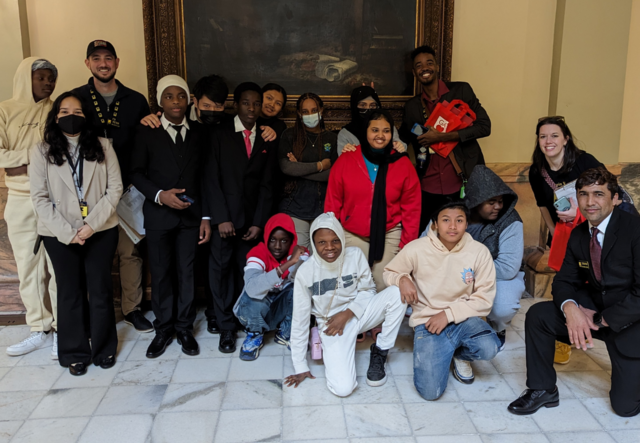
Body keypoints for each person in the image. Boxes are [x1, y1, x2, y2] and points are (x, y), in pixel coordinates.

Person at [508, 168, 640, 418]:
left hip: (631, 322)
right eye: (584, 194)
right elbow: (563, 281)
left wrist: (600, 319)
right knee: (539, 315)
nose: (590, 202)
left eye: (599, 194)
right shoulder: (579, 234)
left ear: (614, 198)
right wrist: (571, 309)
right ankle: (542, 388)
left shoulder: (635, 230)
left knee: (625, 408)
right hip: (594, 312)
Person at [30, 91, 123, 376]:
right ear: (55, 116)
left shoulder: (104, 146)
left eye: (79, 111)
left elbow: (115, 189)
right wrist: (69, 233)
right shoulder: (41, 150)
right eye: (65, 111)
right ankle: (74, 352)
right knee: (69, 292)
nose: (72, 116)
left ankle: (104, 349)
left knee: (100, 290)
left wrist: (90, 226)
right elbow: (40, 198)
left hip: (101, 229)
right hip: (58, 234)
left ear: (87, 116)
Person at [73, 40, 154, 333]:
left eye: (108, 58)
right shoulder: (76, 99)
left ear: (117, 62)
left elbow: (147, 141)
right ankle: (98, 310)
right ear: (88, 64)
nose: (103, 63)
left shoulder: (135, 99)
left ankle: (132, 308)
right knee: (93, 253)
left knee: (129, 250)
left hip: (129, 189)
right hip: (89, 190)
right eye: (96, 58)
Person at [130, 75, 211, 359]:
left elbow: (205, 176)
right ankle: (163, 328)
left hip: (191, 218)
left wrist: (206, 217)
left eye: (180, 96)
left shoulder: (200, 133)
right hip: (158, 216)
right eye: (168, 96)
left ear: (188, 100)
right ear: (159, 102)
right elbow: (136, 172)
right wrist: (160, 195)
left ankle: (185, 327)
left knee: (187, 273)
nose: (175, 102)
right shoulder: (146, 131)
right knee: (162, 274)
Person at [384, 201, 499, 398]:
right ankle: (446, 350)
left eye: (459, 220)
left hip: (464, 320)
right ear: (435, 224)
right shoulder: (416, 248)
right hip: (428, 323)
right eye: (446, 220)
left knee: (490, 347)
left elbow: (484, 300)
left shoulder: (479, 251)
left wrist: (448, 314)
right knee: (430, 392)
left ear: (466, 224)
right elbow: (389, 272)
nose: (453, 226)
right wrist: (402, 278)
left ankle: (460, 355)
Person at [285, 212, 407, 396]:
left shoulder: (355, 255)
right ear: (313, 242)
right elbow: (300, 319)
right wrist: (300, 365)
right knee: (343, 389)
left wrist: (348, 313)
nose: (330, 247)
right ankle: (321, 337)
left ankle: (380, 350)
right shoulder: (306, 272)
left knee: (398, 293)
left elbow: (369, 290)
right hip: (331, 324)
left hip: (358, 312)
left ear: (342, 238)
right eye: (322, 242)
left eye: (335, 240)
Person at [205, 82, 277, 354]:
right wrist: (220, 217)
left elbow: (267, 184)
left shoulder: (267, 137)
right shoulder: (220, 134)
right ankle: (225, 328)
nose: (251, 108)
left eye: (256, 103)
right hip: (225, 221)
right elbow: (211, 178)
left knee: (247, 273)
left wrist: (259, 222)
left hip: (251, 223)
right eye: (246, 103)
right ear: (237, 105)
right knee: (221, 272)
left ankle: (244, 320)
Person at [422, 165, 525, 352]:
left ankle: (497, 327)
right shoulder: (450, 212)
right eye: (492, 202)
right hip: (449, 272)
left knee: (503, 306)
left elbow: (508, 268)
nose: (498, 207)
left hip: (496, 276)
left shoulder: (510, 221)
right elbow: (423, 245)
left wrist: (464, 272)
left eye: (501, 201)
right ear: (476, 200)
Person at [528, 116, 604, 365]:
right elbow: (543, 208)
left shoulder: (584, 162)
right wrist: (556, 237)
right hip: (567, 236)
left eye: (554, 135)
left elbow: (607, 197)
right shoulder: (537, 171)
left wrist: (580, 214)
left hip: (594, 232)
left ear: (566, 139)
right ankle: (563, 340)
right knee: (563, 285)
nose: (548, 141)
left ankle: (595, 328)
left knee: (594, 283)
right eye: (543, 136)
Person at [325, 110, 421, 292]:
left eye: (386, 131)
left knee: (384, 283)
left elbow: (412, 208)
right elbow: (333, 201)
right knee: (354, 285)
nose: (380, 135)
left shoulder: (402, 163)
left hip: (389, 232)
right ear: (365, 131)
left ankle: (378, 321)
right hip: (352, 232)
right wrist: (331, 235)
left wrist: (406, 245)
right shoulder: (347, 159)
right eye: (375, 130)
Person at [1, 57, 59, 358]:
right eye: (42, 78)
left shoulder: (56, 109)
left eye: (51, 78)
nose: (48, 84)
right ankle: (39, 328)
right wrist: (35, 155)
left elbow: (61, 150)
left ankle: (64, 329)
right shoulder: (4, 109)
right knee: (28, 267)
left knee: (59, 265)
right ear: (27, 77)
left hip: (53, 197)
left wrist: (21, 161)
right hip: (20, 199)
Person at [400, 45, 491, 233]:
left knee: (464, 236)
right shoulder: (412, 107)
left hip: (461, 181)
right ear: (414, 71)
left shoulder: (461, 91)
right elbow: (402, 141)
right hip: (428, 184)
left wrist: (442, 137)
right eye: (419, 65)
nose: (425, 68)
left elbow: (484, 126)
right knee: (427, 238)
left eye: (429, 63)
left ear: (437, 66)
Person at [234, 213, 308, 360]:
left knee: (299, 289)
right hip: (254, 312)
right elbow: (252, 288)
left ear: (292, 240)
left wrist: (296, 260)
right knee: (253, 295)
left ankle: (286, 332)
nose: (278, 246)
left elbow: (303, 283)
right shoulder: (258, 253)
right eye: (273, 240)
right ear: (266, 238)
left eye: (284, 241)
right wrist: (288, 264)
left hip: (279, 310)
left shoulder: (300, 253)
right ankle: (255, 333)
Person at [278, 92, 338, 249]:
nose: (310, 115)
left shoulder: (331, 138)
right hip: (294, 206)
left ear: (322, 110)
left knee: (321, 258)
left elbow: (333, 174)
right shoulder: (289, 135)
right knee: (298, 259)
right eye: (305, 112)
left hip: (324, 207)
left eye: (314, 110)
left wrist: (300, 168)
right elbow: (286, 168)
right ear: (299, 113)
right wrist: (320, 166)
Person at [337, 85, 406, 156]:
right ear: (355, 107)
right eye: (363, 105)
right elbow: (343, 161)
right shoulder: (346, 133)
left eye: (372, 106)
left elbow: (400, 146)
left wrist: (399, 146)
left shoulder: (387, 126)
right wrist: (346, 152)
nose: (368, 109)